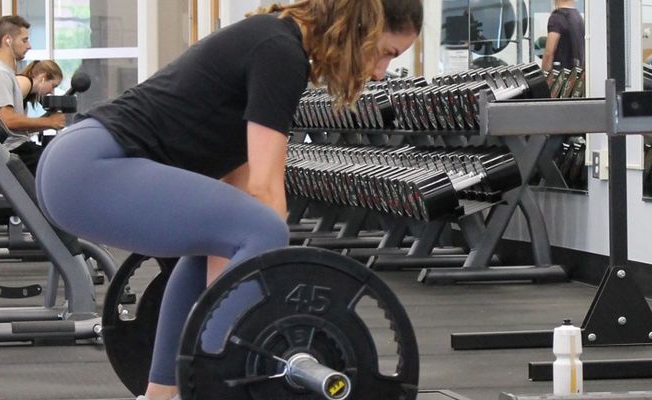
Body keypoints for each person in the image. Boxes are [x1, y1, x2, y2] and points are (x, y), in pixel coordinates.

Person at [34, 1, 422, 399]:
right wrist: (276, 314)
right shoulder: (280, 51)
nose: (381, 72)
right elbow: (267, 194)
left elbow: (238, 192)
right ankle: (215, 382)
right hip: (91, 166)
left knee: (220, 243)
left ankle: (163, 394)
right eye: (387, 53)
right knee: (265, 228)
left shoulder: (275, 42)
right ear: (361, 27)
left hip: (74, 165)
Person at [0, 15, 63, 172]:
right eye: (24, 40)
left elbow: (16, 126)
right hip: (11, 152)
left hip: (18, 147)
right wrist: (49, 122)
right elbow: (6, 120)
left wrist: (46, 121)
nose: (29, 46)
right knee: (60, 164)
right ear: (8, 40)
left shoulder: (7, 74)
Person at [542, 0, 585, 73]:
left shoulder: (556, 18)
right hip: (575, 74)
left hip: (561, 75)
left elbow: (549, 54)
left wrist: (545, 74)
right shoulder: (578, 18)